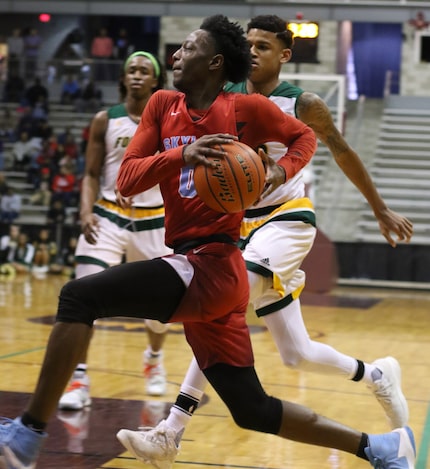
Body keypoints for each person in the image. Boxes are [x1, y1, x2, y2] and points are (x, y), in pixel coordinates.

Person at [0, 15, 415, 469]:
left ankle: (29, 434)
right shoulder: (162, 105)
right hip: (204, 266)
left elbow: (305, 138)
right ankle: (380, 447)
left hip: (214, 262)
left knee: (78, 296)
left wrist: (278, 170)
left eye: (188, 48)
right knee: (253, 410)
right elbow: (127, 178)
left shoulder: (246, 109)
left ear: (215, 62)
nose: (175, 55)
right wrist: (182, 154)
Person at [132, 15, 416, 468]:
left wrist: (379, 208)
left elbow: (341, 150)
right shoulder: (223, 101)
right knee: (296, 354)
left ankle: (171, 429)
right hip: (239, 229)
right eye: (250, 45)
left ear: (285, 55)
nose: (256, 52)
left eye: (265, 46)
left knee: (220, 304)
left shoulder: (301, 103)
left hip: (288, 221)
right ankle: (377, 374)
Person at [58, 50, 173, 411]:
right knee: (82, 294)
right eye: (131, 70)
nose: (137, 75)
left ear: (156, 80)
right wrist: (85, 210)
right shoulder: (105, 120)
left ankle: (153, 361)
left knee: (161, 310)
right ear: (123, 78)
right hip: (107, 216)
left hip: (155, 220)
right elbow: (91, 174)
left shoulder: (169, 121)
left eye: (144, 71)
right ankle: (78, 377)